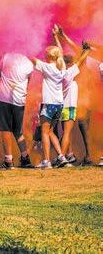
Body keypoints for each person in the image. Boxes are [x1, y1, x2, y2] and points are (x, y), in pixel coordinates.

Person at [28, 39, 85, 168]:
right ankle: (61, 156)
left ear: (49, 56)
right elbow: (70, 59)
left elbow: (32, 58)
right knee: (50, 131)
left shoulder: (47, 67)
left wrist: (22, 47)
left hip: (48, 104)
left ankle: (46, 161)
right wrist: (57, 38)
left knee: (44, 132)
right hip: (59, 105)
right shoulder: (62, 68)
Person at [54, 26, 93, 164]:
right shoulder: (74, 66)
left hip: (81, 99)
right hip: (73, 99)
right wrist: (62, 36)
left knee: (81, 128)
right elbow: (75, 51)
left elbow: (75, 51)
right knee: (68, 129)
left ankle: (87, 156)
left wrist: (61, 36)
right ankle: (70, 155)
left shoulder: (79, 63)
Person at [0, 53, 34, 169]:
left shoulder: (6, 56)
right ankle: (25, 158)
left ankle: (8, 161)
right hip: (20, 100)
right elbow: (28, 82)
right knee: (18, 131)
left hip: (5, 99)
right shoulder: (29, 62)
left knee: (6, 129)